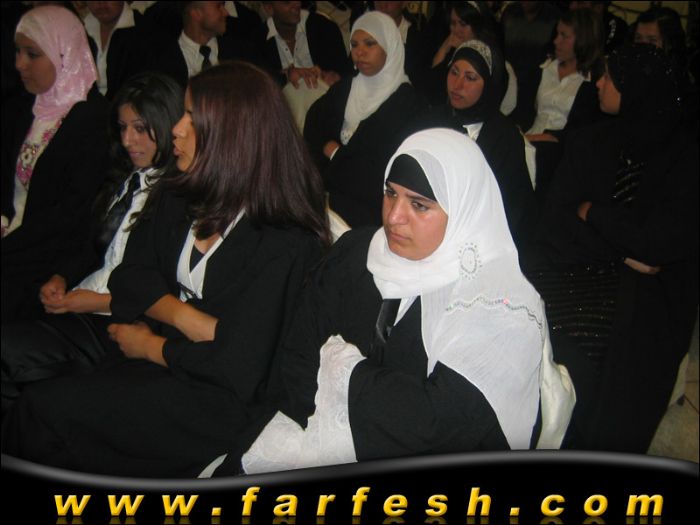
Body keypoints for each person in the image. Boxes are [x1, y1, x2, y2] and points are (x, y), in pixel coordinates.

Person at [1, 61, 330, 477]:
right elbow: (129, 275)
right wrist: (188, 319)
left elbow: (241, 368)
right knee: (44, 407)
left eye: (191, 117)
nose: (176, 128)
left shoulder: (284, 238)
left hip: (217, 401)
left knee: (44, 414)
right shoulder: (180, 192)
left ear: (233, 134)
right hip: (163, 355)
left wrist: (153, 347)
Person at [235, 128, 575, 474]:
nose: (394, 216)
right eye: (390, 193)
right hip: (312, 435)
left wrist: (341, 368)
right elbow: (298, 357)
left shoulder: (497, 306)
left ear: (462, 210)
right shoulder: (355, 253)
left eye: (419, 205)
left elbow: (437, 425)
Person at [524, 45, 698, 453]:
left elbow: (661, 244)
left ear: (636, 90)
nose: (598, 84)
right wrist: (620, 246)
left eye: (609, 78)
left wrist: (594, 213)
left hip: (647, 291)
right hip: (578, 260)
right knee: (524, 299)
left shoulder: (684, 156)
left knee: (610, 357)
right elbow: (557, 218)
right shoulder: (593, 140)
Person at [1, 72, 183, 415]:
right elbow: (93, 246)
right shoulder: (127, 179)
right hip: (85, 300)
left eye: (140, 128)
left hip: (119, 323)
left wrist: (92, 302)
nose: (128, 140)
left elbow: (163, 289)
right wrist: (62, 278)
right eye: (123, 127)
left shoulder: (176, 198)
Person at [1, 5, 110, 323]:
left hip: (48, 257)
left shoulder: (92, 119)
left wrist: (10, 243)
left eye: (32, 54)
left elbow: (74, 213)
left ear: (63, 54)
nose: (19, 64)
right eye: (18, 52)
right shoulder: (22, 106)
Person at [408, 39, 535, 250]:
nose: (457, 85)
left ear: (489, 85)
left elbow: (512, 208)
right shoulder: (428, 122)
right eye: (454, 72)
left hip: (479, 240)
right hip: (422, 228)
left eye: (470, 78)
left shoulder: (504, 137)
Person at [304, 10, 423, 227]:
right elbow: (313, 128)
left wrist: (335, 153)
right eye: (354, 45)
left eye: (370, 43)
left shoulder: (407, 104)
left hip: (371, 214)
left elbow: (379, 173)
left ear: (389, 46)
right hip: (327, 200)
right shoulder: (345, 88)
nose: (360, 52)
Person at [525, 8, 604, 204]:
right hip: (530, 139)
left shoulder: (592, 82)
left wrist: (531, 138)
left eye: (564, 36)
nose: (556, 41)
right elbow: (523, 110)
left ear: (583, 40)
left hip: (561, 151)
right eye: (557, 34)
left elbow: (581, 132)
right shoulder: (544, 68)